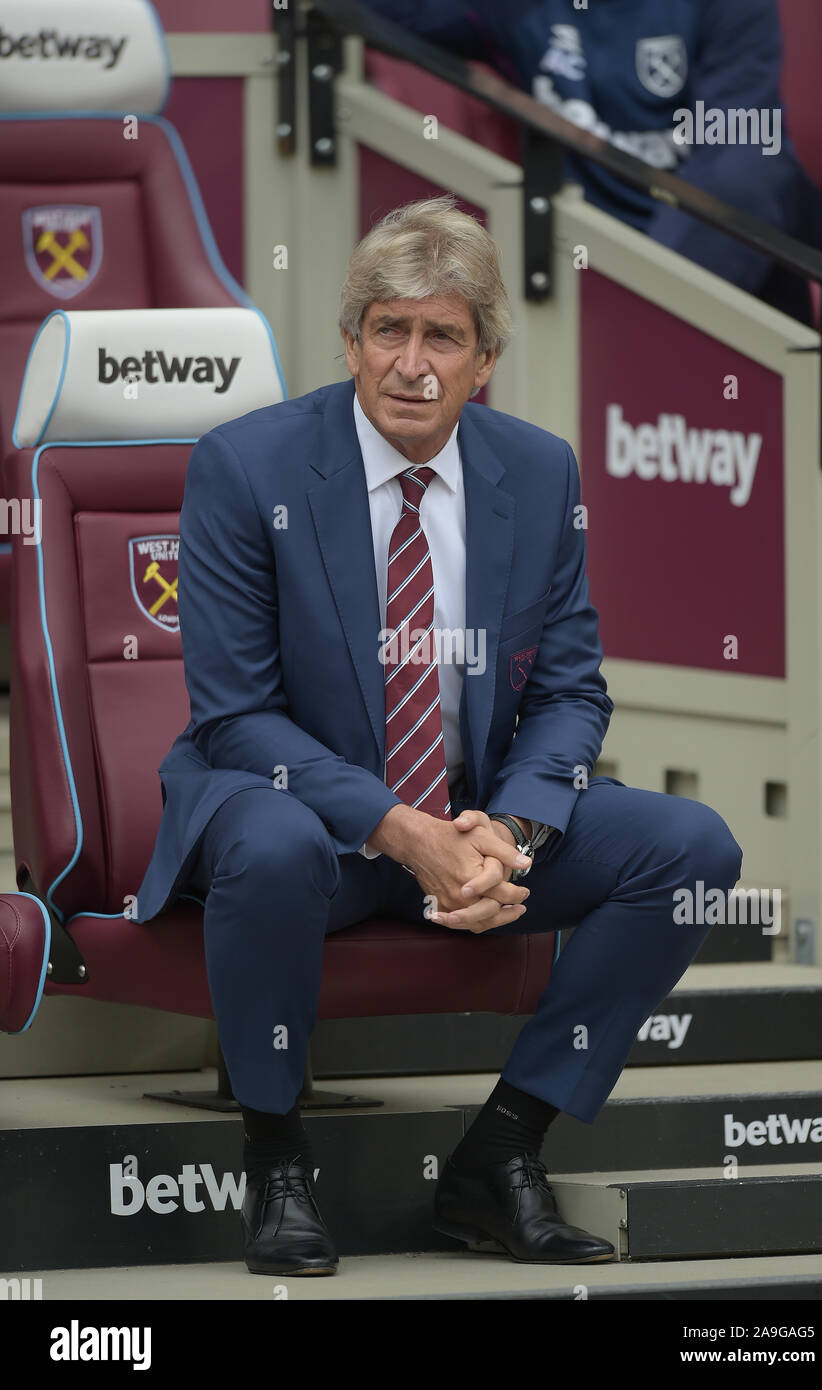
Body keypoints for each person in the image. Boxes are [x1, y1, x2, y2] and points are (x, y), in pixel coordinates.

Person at [134, 195, 742, 1276]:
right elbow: (235, 716)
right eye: (389, 330)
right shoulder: (247, 465)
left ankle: (501, 1152)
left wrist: (505, 831)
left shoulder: (539, 471)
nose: (411, 364)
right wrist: (405, 832)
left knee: (689, 848)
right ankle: (275, 1158)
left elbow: (569, 692)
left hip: (465, 823)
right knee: (268, 837)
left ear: (485, 359)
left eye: (443, 336)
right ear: (352, 340)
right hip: (301, 818)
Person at [363, 0, 822, 322]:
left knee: (751, 178)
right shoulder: (514, 9)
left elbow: (738, 169)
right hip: (598, 256)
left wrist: (641, 301)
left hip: (752, 268)